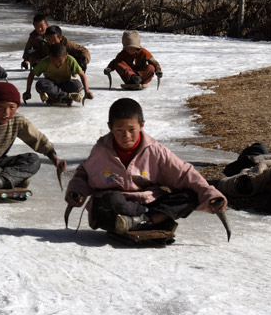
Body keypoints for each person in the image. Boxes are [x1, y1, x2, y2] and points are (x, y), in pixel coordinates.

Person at [65, 98, 227, 236]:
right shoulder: (101, 151)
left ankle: (142, 222)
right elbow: (84, 173)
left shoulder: (155, 150)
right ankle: (154, 220)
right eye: (119, 130)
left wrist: (210, 194)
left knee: (190, 195)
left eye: (131, 129)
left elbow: (185, 174)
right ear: (110, 127)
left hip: (147, 203)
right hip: (117, 206)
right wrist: (77, 191)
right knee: (110, 200)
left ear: (142, 125)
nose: (126, 136)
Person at [23, 42, 93, 105]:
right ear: (49, 56)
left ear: (66, 55)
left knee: (77, 85)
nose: (57, 64)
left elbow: (82, 75)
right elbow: (32, 74)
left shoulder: (70, 60)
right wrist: (28, 91)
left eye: (60, 61)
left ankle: (54, 97)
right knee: (40, 84)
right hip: (51, 85)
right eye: (53, 60)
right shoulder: (46, 61)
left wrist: (87, 91)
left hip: (66, 84)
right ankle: (67, 96)